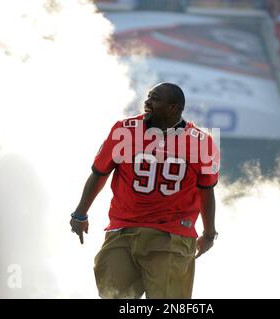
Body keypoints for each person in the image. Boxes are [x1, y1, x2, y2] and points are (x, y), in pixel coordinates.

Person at [70, 83, 220, 299]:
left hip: (171, 236)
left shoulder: (201, 142)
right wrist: (80, 213)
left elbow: (207, 191)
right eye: (149, 97)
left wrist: (209, 233)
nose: (147, 103)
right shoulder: (125, 130)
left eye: (155, 99)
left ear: (174, 108)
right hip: (123, 230)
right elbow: (100, 173)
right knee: (114, 296)